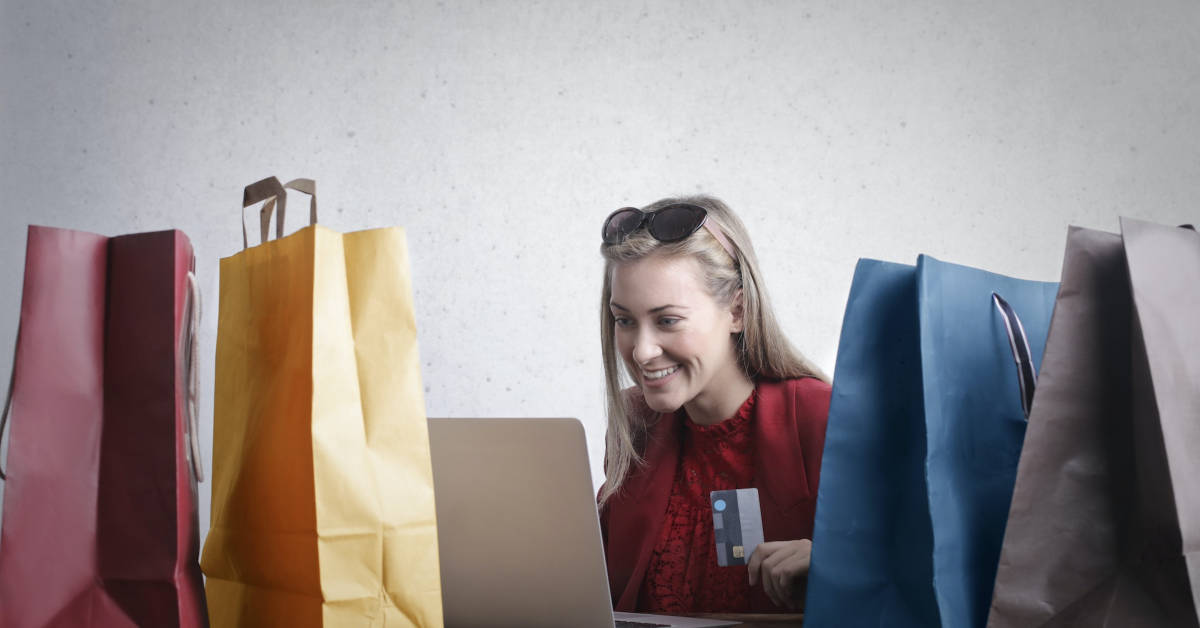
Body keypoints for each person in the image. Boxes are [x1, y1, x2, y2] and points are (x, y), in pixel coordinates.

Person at [596, 196, 831, 614]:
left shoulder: (820, 419)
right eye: (625, 320)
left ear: (737, 310)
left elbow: (915, 575)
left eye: (667, 320)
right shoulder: (636, 426)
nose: (642, 351)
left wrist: (839, 570)